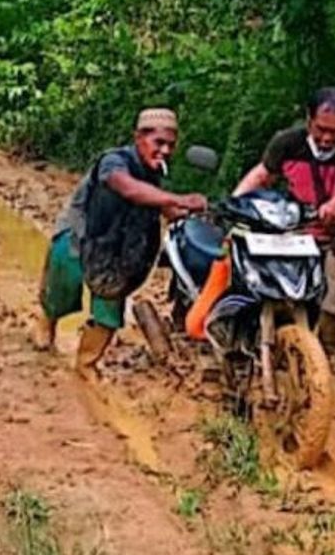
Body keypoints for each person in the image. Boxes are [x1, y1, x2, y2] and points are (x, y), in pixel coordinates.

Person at [33, 108, 208, 372]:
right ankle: (47, 322)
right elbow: (127, 187)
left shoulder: (153, 172)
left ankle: (86, 364)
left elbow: (158, 201)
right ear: (138, 137)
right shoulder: (114, 162)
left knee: (108, 311)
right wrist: (178, 199)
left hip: (118, 251)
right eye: (158, 143)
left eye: (171, 145)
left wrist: (192, 211)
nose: (165, 151)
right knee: (61, 289)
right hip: (82, 237)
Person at [233, 87, 335, 349]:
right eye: (320, 129)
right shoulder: (287, 142)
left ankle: (323, 349)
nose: (326, 138)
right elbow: (262, 175)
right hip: (296, 232)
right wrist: (234, 204)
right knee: (268, 285)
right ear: (308, 119)